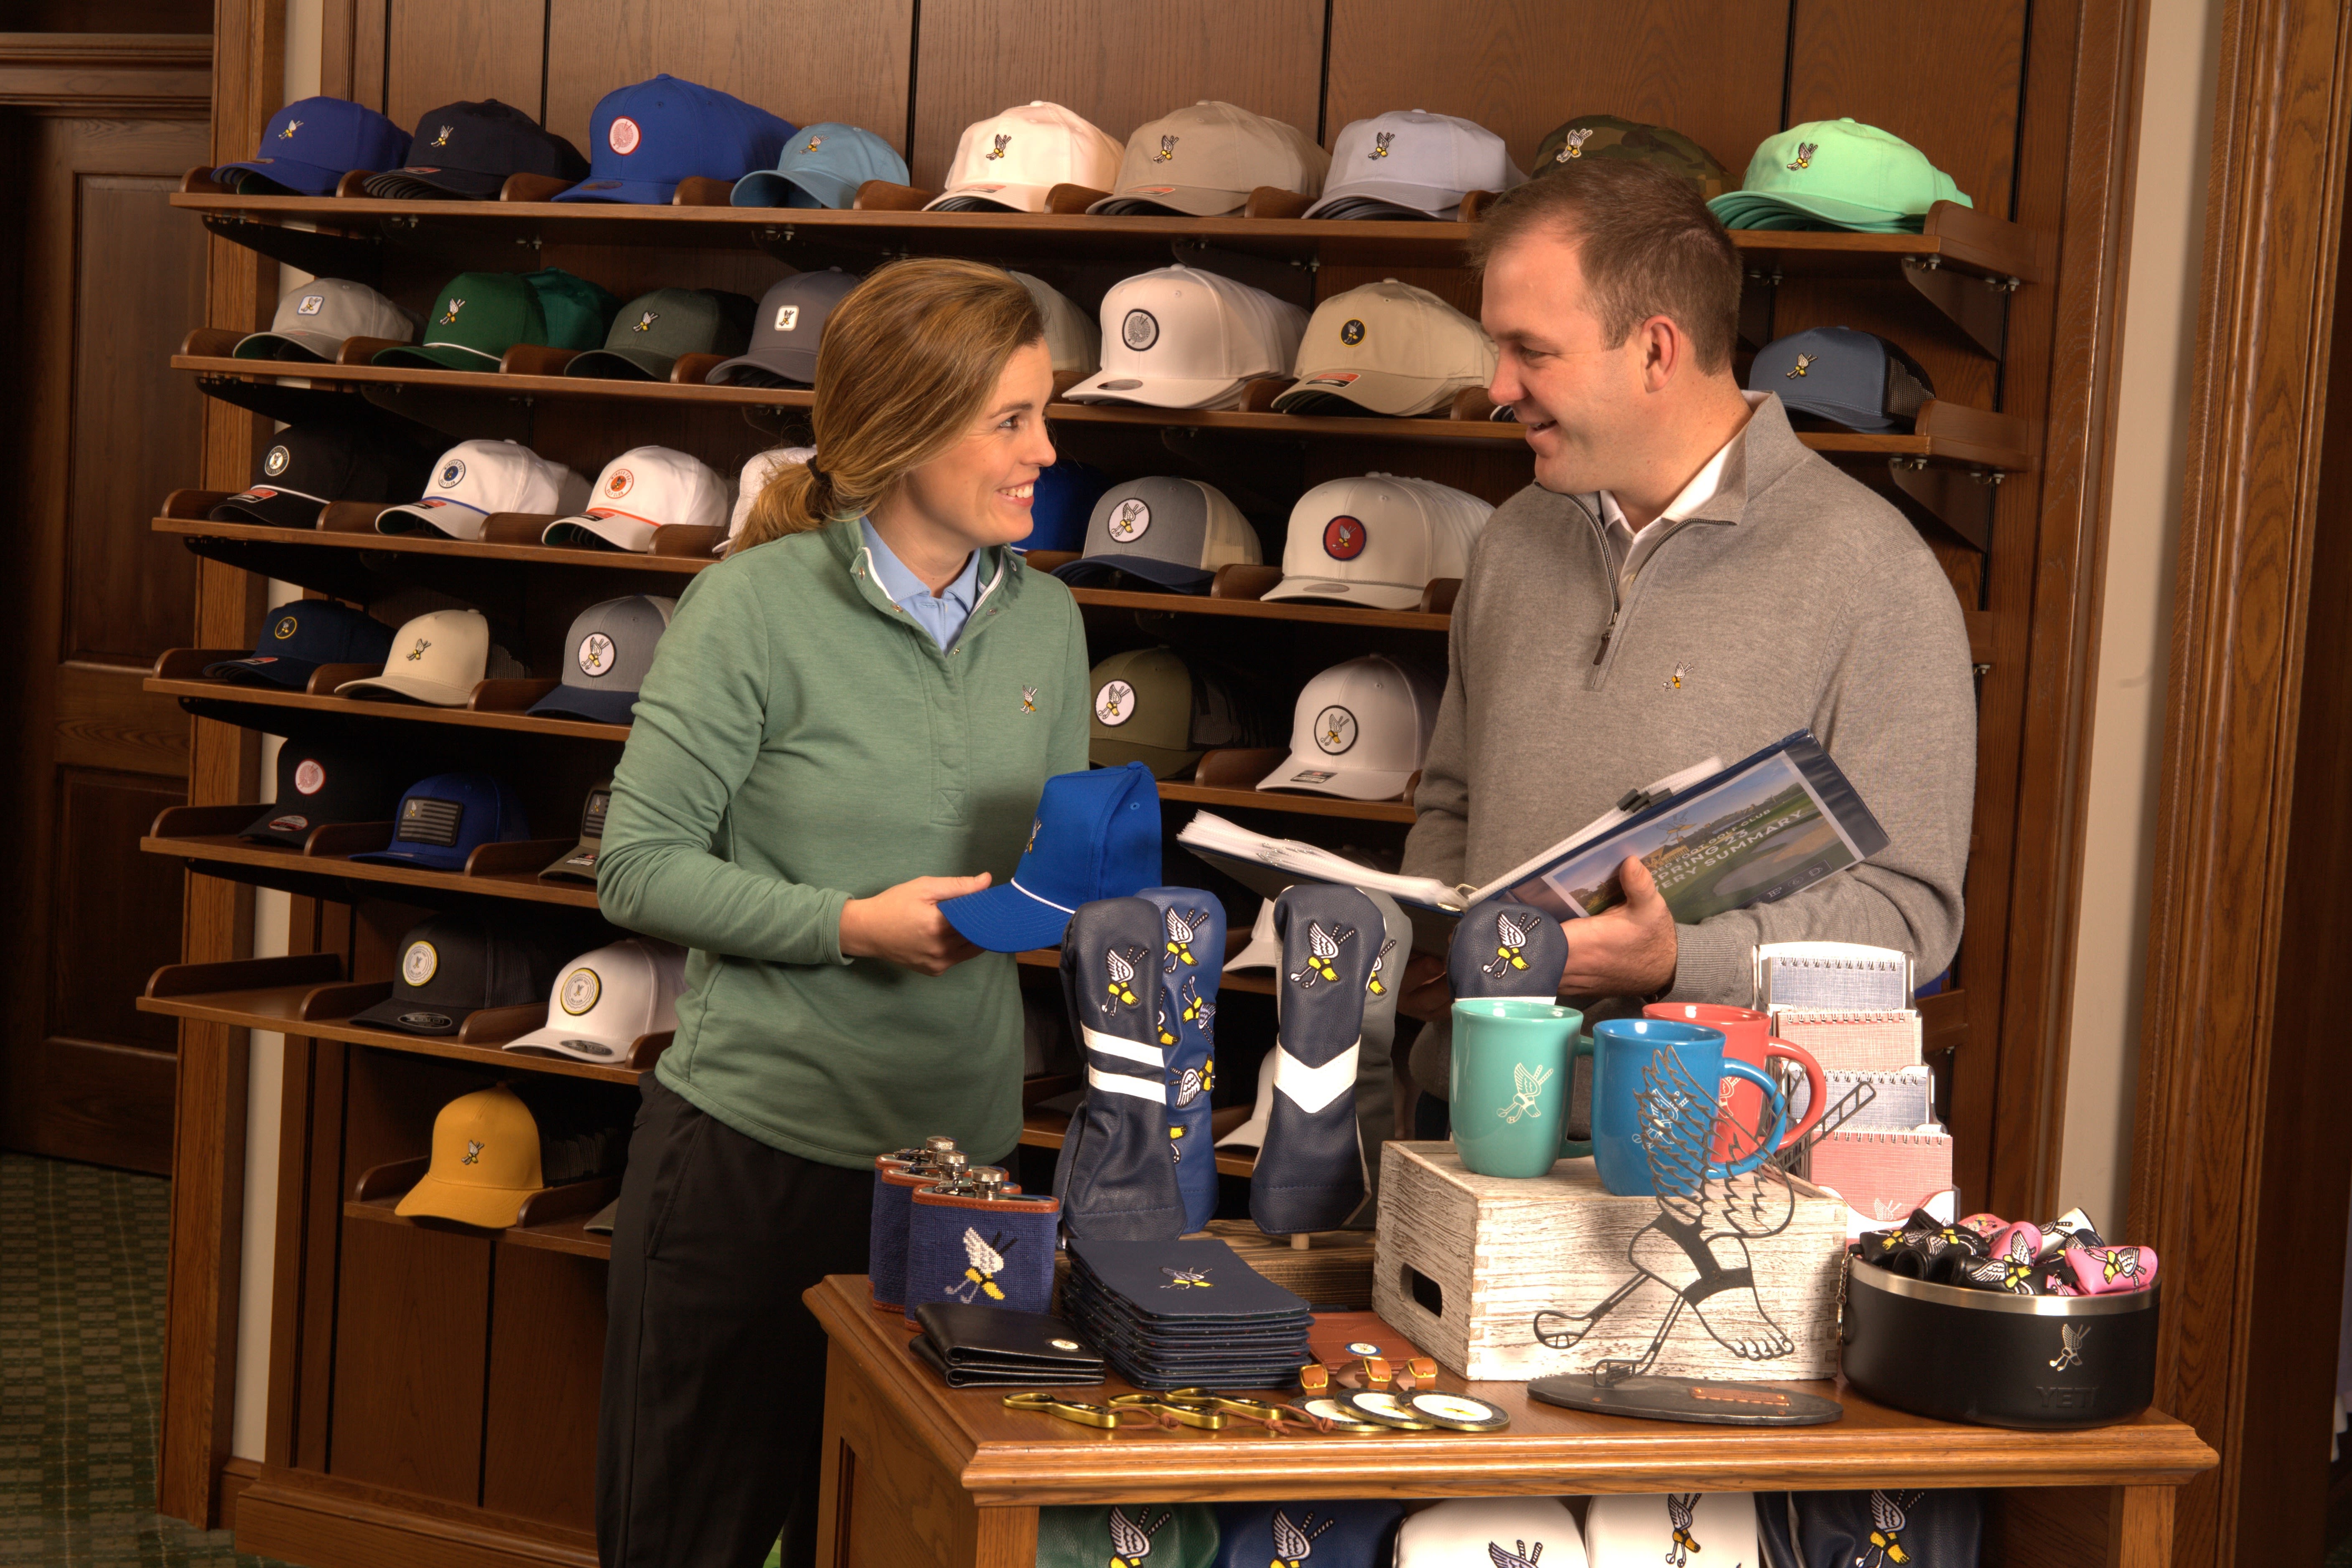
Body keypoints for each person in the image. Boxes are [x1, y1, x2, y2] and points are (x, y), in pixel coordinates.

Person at [591, 257, 1089, 1568]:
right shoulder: (748, 609)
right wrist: (851, 924)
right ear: (908, 426)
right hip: (752, 1160)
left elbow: (1028, 864)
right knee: (685, 1541)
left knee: (892, 1543)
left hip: (960, 1176)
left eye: (1043, 412)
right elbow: (634, 868)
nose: (1046, 449)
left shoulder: (1049, 623)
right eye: (1011, 420)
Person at [1395, 160, 1975, 1092]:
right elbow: (1454, 806)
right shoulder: (1511, 538)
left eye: (1530, 350)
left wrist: (1675, 963)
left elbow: (1905, 924)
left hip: (1706, 1172)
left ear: (1657, 350)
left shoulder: (1879, 576)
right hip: (1463, 1124)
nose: (1498, 385)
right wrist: (1430, 948)